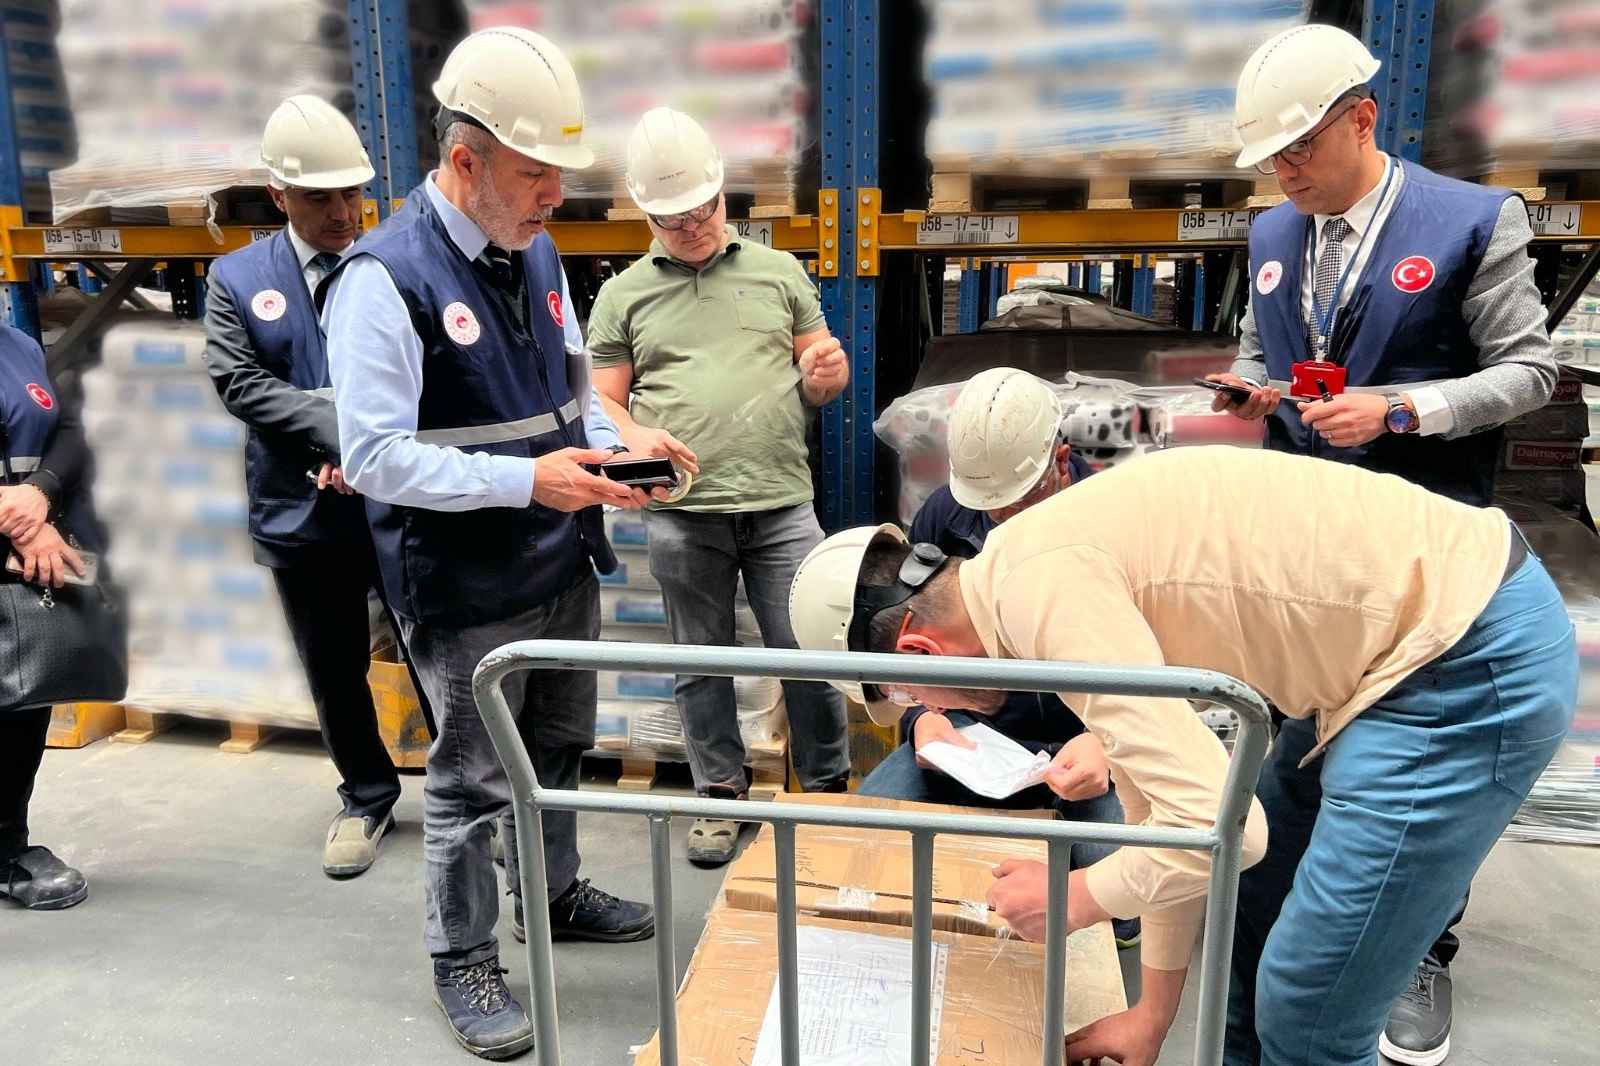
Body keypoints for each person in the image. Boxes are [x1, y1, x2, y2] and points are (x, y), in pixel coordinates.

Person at [789, 446, 1575, 1066]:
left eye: (912, 694)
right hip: (1396, 651)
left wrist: (1079, 896)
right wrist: (1153, 1013)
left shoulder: (1043, 597)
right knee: (1255, 911)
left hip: (1458, 661)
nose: (925, 708)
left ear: (920, 650)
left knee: (1308, 1007)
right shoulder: (1023, 575)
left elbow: (1224, 829)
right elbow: (1162, 814)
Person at [1208, 25, 1560, 1065]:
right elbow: (1260, 351)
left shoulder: (1470, 222)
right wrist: (1252, 392)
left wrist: (1400, 409)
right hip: (1316, 561)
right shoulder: (1274, 236)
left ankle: (1416, 945)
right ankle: (1325, 931)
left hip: (1429, 570)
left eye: (1299, 150)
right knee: (1307, 771)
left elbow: (1529, 373)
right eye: (1270, 159)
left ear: (1361, 120)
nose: (1284, 173)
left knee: (1414, 779)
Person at [322, 29, 675, 1059]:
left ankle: (551, 892)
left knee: (555, 747)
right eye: (534, 175)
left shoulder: (535, 249)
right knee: (473, 782)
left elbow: (569, 389)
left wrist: (622, 446)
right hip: (467, 587)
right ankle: (461, 954)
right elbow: (373, 457)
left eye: (559, 176)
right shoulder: (384, 280)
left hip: (559, 558)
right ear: (464, 160)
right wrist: (529, 481)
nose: (554, 197)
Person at [586, 108, 850, 866]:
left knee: (809, 655)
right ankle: (720, 797)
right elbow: (600, 403)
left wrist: (825, 374)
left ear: (722, 195)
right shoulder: (623, 296)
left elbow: (821, 379)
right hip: (684, 512)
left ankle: (825, 795)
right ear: (647, 216)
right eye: (674, 220)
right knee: (699, 661)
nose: (693, 227)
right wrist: (632, 433)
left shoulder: (780, 273)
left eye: (703, 210)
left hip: (780, 504)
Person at [205, 94, 433, 879]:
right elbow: (240, 382)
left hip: (400, 504)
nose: (341, 213)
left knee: (436, 653)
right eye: (318, 198)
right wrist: (342, 431)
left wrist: (371, 446)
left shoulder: (395, 265)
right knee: (335, 667)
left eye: (351, 194)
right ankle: (366, 796)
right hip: (300, 511)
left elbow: (432, 374)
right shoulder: (238, 278)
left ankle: (472, 798)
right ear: (279, 195)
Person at [853, 368, 1138, 944]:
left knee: (1123, 909)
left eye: (1016, 499)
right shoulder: (944, 516)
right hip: (977, 736)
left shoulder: (1119, 524)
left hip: (1090, 742)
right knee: (865, 834)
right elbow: (913, 632)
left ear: (1060, 462)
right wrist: (922, 719)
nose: (1003, 518)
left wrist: (1110, 744)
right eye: (989, 504)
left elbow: (1167, 666)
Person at [0, 322, 101, 910]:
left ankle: (7, 847)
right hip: (21, 542)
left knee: (21, 705)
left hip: (21, 562)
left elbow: (68, 428)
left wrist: (40, 490)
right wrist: (21, 525)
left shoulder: (17, 345)